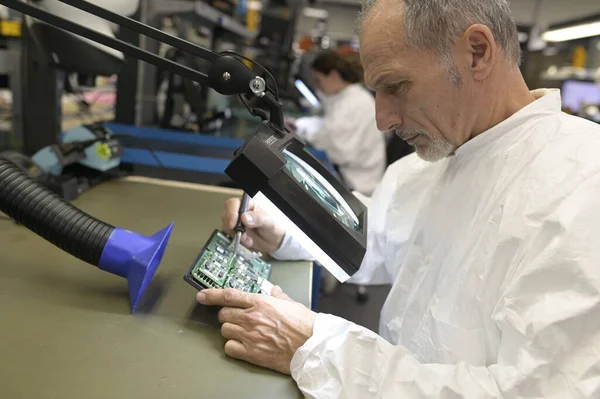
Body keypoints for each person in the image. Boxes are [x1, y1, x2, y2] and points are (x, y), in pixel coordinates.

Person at [195, 0, 600, 397]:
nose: (382, 120)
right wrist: (286, 233)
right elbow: (380, 242)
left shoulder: (581, 189)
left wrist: (318, 348)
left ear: (476, 53)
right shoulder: (433, 160)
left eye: (396, 86)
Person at [290, 50, 386, 196]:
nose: (317, 87)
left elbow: (337, 149)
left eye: (319, 80)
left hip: (358, 185)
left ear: (333, 75)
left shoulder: (354, 103)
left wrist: (304, 130)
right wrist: (302, 125)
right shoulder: (346, 98)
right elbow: (328, 127)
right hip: (352, 175)